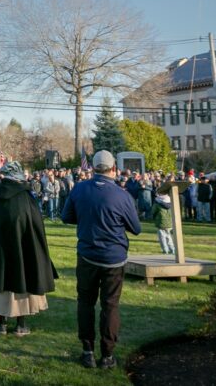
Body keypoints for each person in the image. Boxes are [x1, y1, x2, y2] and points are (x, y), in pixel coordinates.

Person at [62, 150, 141, 370]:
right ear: (113, 167)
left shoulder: (80, 189)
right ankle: (107, 355)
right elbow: (136, 228)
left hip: (88, 254)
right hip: (113, 257)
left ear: (93, 167)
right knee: (110, 305)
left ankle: (88, 351)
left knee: (85, 303)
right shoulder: (121, 194)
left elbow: (66, 216)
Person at [0, 161, 56, 337]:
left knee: (3, 280)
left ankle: (2, 324)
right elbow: (35, 225)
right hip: (23, 248)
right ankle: (21, 324)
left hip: (0, 250)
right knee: (22, 278)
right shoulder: (25, 197)